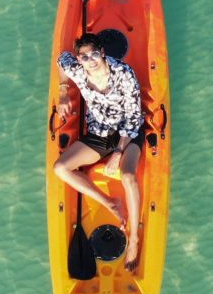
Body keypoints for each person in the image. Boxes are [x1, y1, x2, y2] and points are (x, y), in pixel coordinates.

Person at [53, 32, 145, 270]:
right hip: (99, 134)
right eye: (84, 57)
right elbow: (61, 59)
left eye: (94, 54)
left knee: (127, 176)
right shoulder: (77, 69)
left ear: (102, 53)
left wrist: (118, 153)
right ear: (80, 59)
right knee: (61, 168)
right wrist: (63, 92)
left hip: (127, 132)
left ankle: (133, 239)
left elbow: (134, 119)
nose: (90, 60)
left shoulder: (124, 74)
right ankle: (110, 204)